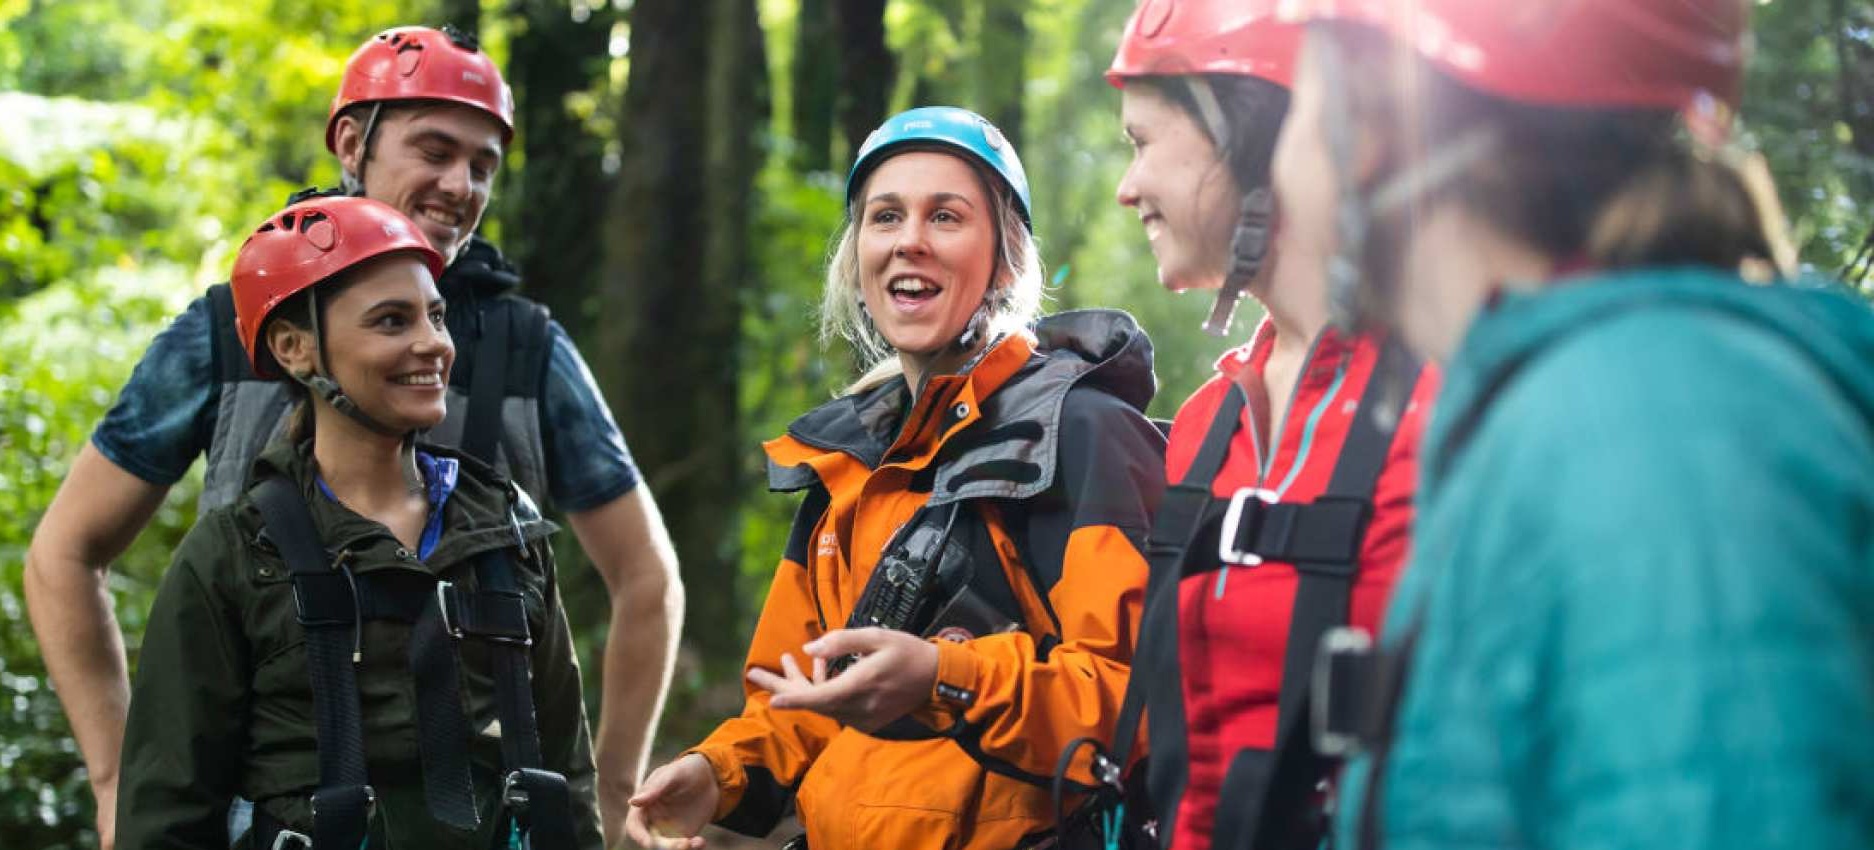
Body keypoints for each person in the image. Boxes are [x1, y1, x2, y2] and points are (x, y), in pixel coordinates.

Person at [22, 25, 680, 848]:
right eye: (434, 149)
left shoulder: (524, 349)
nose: (460, 185)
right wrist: (121, 776)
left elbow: (646, 575)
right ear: (350, 141)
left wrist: (613, 799)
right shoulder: (232, 332)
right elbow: (64, 553)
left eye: (483, 165)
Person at [1265, 1, 1874, 847]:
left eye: (1296, 103)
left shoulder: (1651, 438)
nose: (1280, 164)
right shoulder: (1585, 406)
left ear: (1368, 124)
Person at [623, 106, 1167, 850]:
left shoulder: (1083, 435)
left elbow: (1135, 704)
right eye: (886, 216)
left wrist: (947, 677)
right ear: (858, 255)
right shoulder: (843, 463)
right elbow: (798, 695)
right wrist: (719, 773)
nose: (910, 239)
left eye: (945, 216)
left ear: (1006, 259)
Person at [113, 195, 601, 849]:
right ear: (295, 348)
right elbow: (166, 817)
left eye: (435, 315)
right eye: (391, 321)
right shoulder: (236, 556)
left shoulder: (505, 530)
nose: (432, 343)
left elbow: (566, 777)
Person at [1086, 2, 1438, 848]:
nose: (1126, 188)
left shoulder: (1441, 399)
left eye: (1141, 142)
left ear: (1254, 138)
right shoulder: (1211, 420)